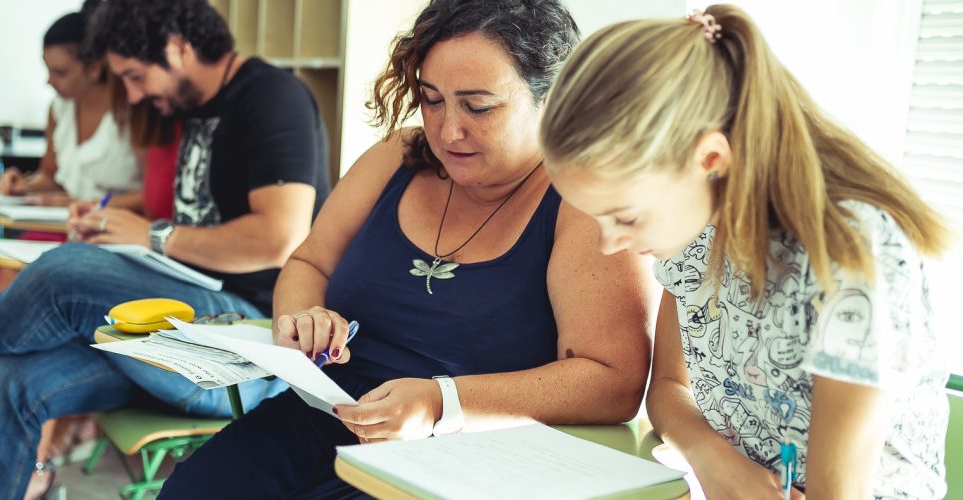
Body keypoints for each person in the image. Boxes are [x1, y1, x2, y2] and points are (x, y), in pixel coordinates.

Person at [0, 0, 331, 498]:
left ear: (177, 48)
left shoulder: (270, 97)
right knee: (6, 377)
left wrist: (150, 235)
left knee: (64, 270)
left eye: (134, 76)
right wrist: (112, 215)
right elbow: (192, 209)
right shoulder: (191, 109)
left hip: (249, 348)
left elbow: (277, 238)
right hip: (172, 330)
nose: (130, 96)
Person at [155, 0, 656, 497]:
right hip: (322, 413)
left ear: (555, 99)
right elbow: (309, 261)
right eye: (432, 99)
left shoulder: (583, 199)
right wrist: (305, 315)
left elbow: (614, 380)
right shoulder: (397, 156)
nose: (447, 130)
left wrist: (444, 401)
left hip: (452, 451)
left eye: (478, 106)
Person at [539, 5, 952, 499]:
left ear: (711, 159)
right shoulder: (694, 226)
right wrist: (713, 458)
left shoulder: (854, 260)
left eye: (625, 216)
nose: (608, 244)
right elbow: (668, 390)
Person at [0, 2, 142, 209]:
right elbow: (49, 176)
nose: (49, 81)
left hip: (115, 226)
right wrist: (23, 185)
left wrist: (93, 205)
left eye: (60, 73)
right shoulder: (58, 110)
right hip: (68, 222)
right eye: (48, 70)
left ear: (93, 68)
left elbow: (153, 197)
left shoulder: (133, 110)